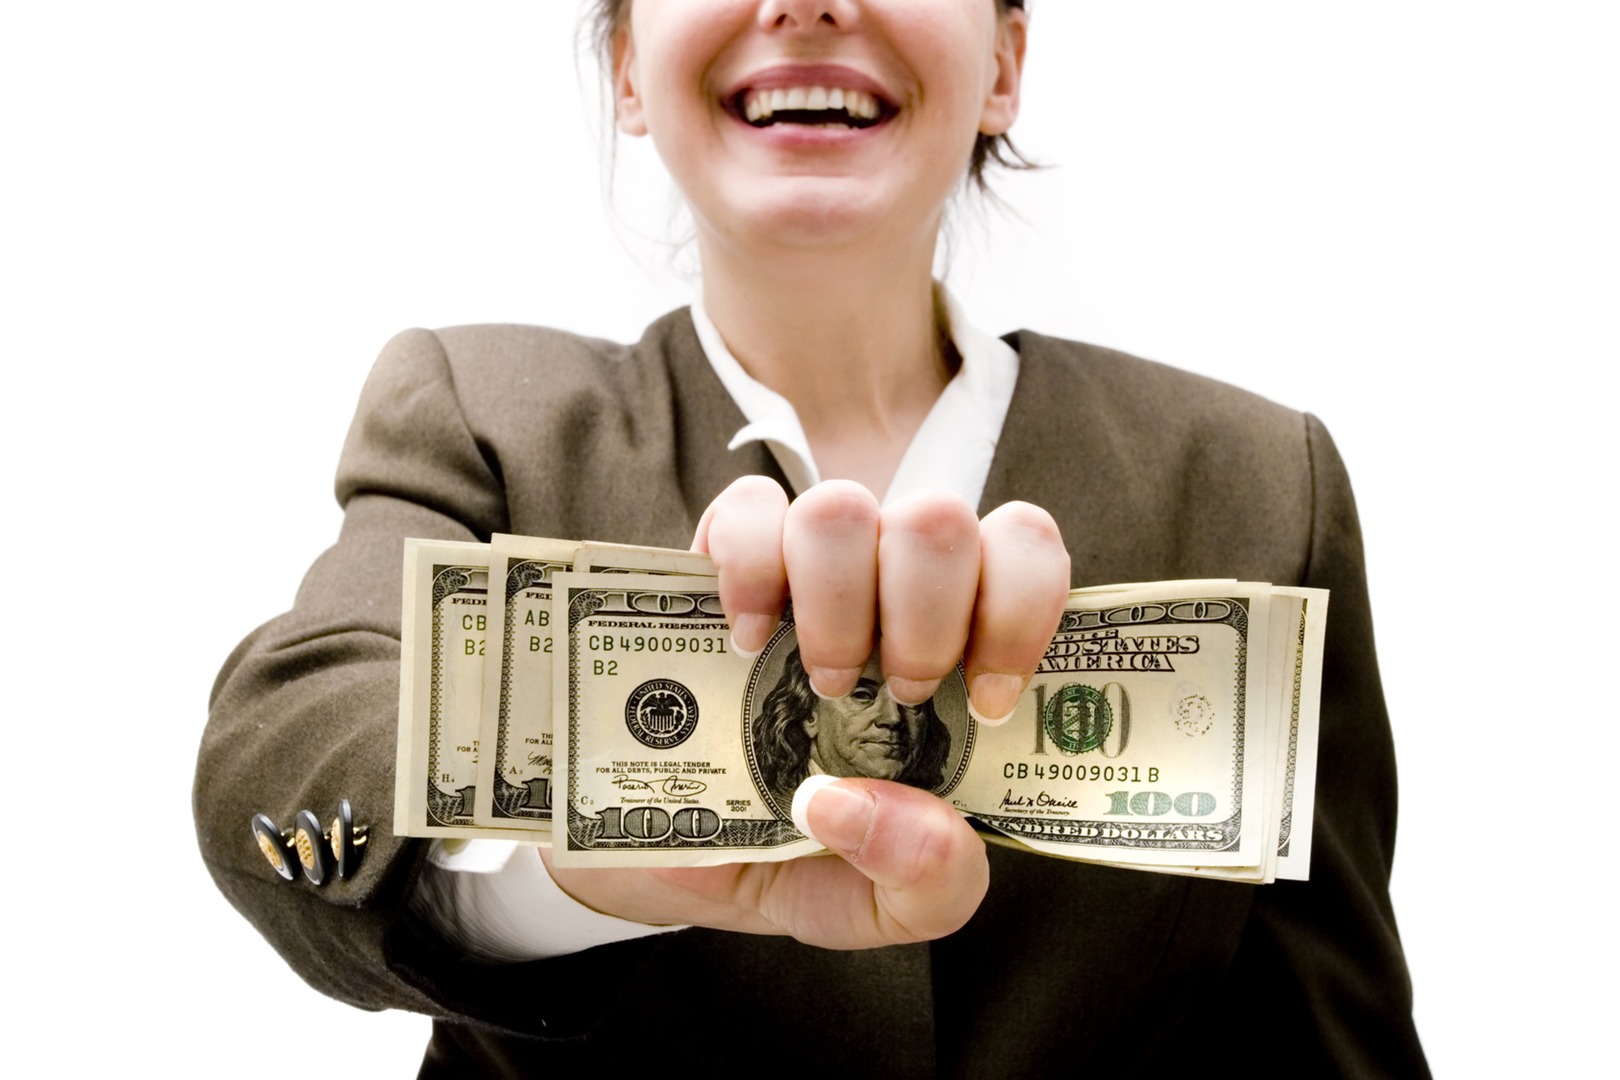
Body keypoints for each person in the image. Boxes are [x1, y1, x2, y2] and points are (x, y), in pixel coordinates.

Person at [196, 1, 1431, 1074]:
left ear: (1004, 66)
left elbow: (1334, 1039)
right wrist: (583, 870)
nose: (806, 1)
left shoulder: (1257, 485)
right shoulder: (483, 417)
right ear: (627, 68)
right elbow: (284, 746)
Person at [751, 648, 958, 808]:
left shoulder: (934, 812)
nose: (893, 718)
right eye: (862, 695)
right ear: (809, 715)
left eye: (910, 700)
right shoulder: (775, 802)